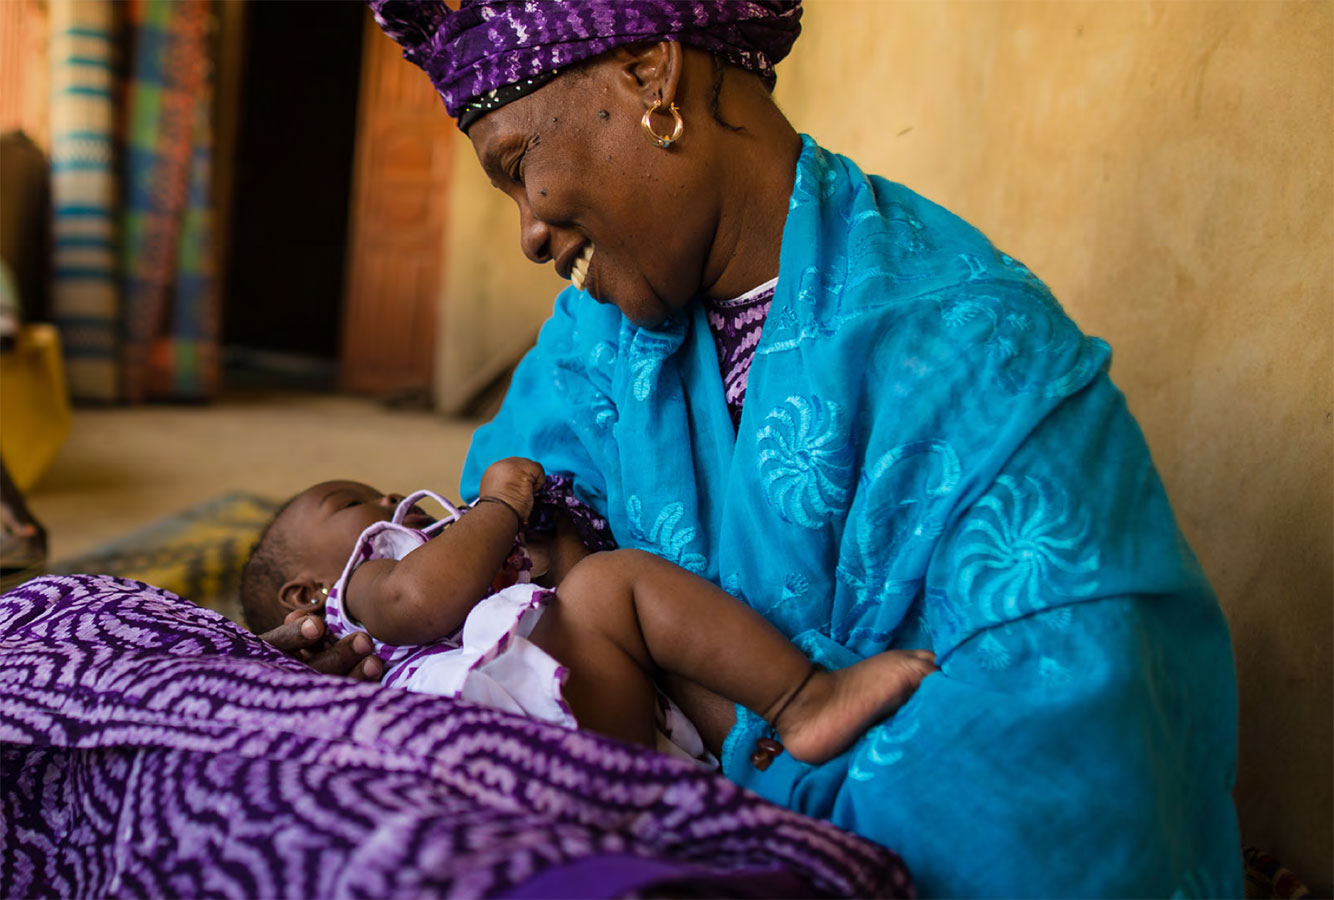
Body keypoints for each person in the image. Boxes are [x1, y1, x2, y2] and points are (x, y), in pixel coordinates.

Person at [266, 2, 1241, 894]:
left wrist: (724, 763)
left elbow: (1060, 769)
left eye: (519, 165)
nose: (525, 232)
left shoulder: (977, 357)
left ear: (650, 76)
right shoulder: (591, 342)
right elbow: (497, 564)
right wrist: (386, 643)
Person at [241, 457, 938, 766]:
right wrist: (498, 507)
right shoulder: (360, 587)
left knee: (609, 607)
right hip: (509, 732)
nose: (393, 500)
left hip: (552, 731)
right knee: (618, 585)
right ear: (305, 596)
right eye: (353, 501)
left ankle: (750, 738)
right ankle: (805, 698)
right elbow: (417, 600)